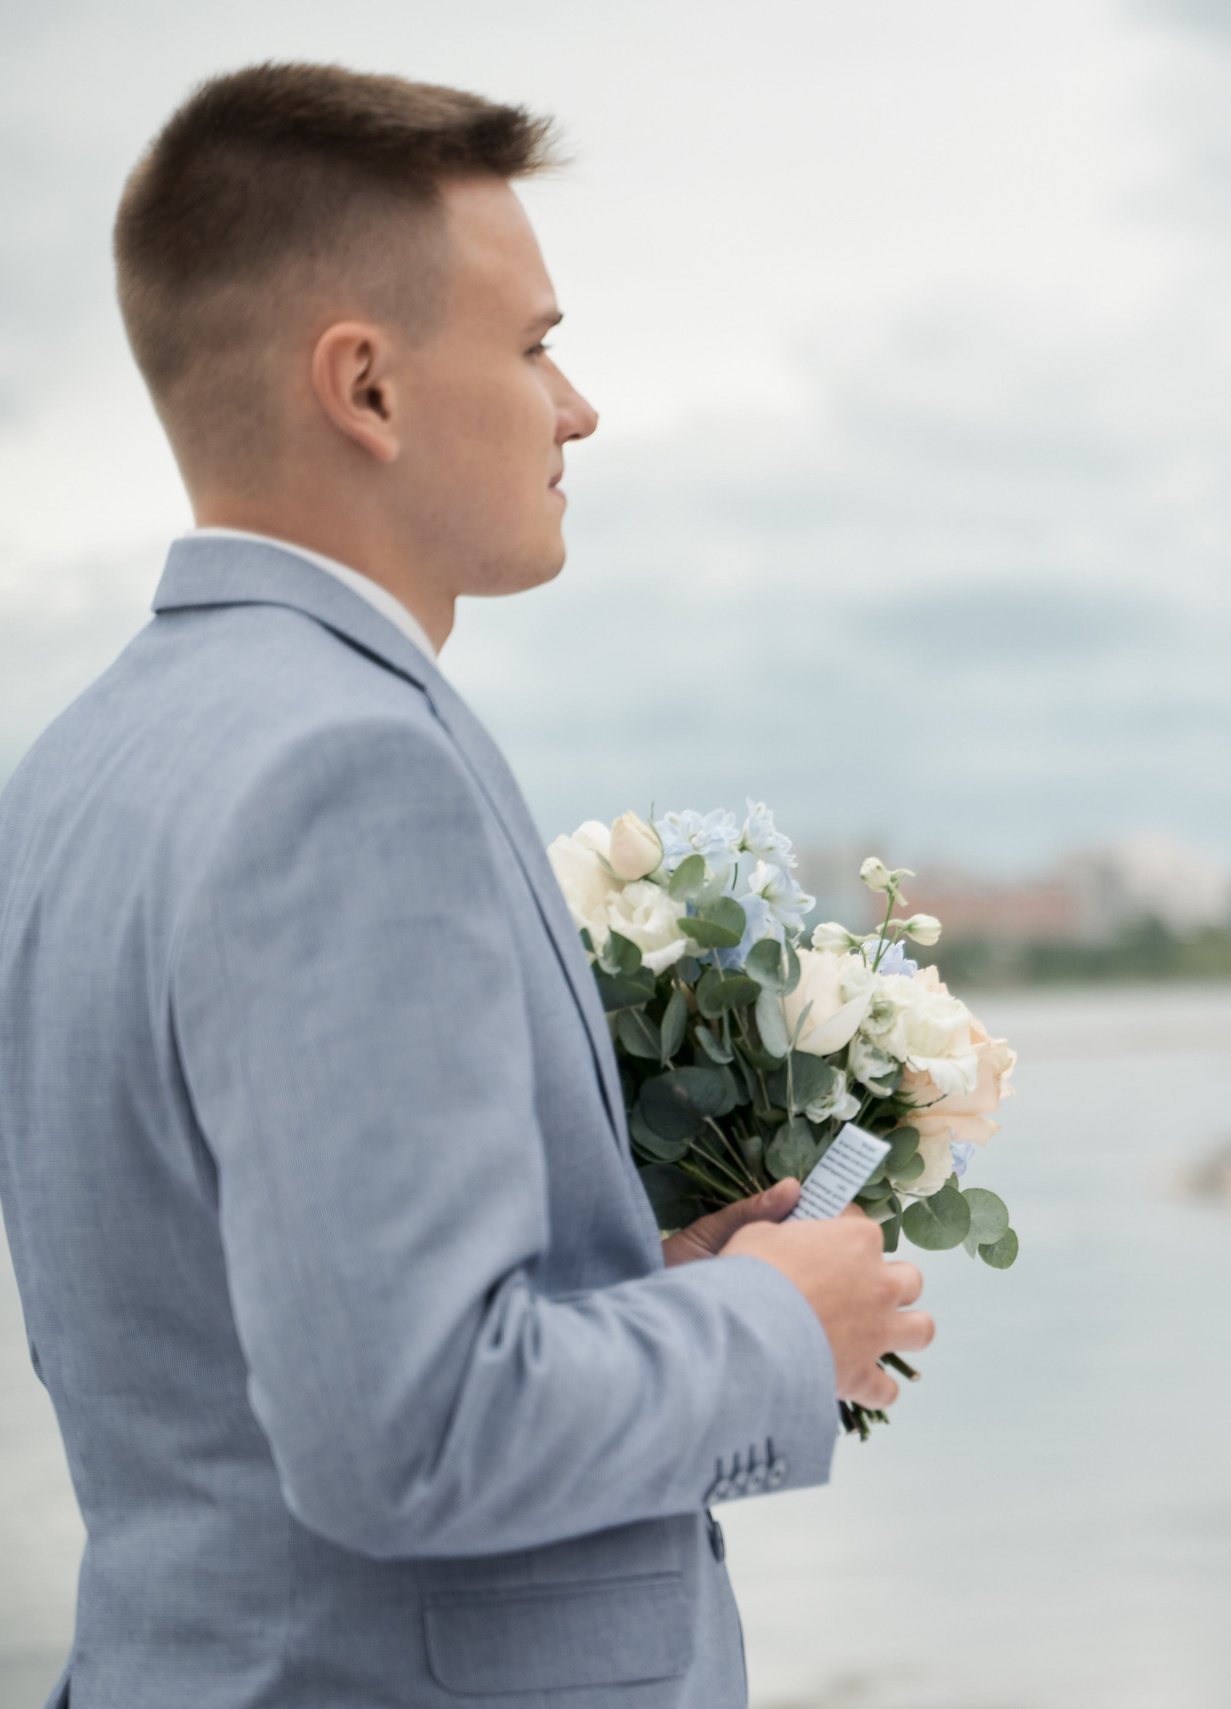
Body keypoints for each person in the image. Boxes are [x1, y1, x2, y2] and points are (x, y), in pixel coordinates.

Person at [0, 63, 931, 1708]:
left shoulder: (78, 764)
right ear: (364, 385)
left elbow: (243, 1336)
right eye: (532, 344)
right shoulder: (345, 766)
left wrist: (643, 1286)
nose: (578, 407)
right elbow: (408, 1430)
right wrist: (780, 1324)